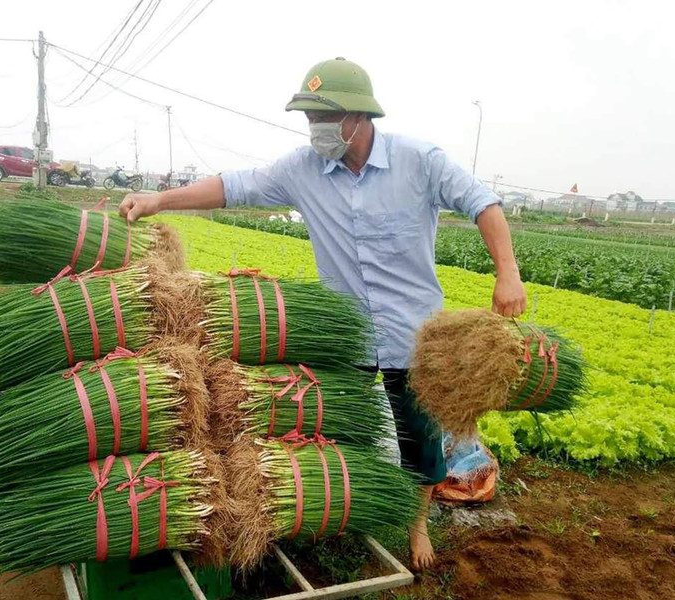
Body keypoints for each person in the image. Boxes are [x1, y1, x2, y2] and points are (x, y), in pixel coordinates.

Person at [119, 57, 527, 569]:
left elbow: (482, 203)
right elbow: (233, 187)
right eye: (309, 118)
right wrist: (160, 200)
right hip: (346, 335)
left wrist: (507, 273)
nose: (314, 129)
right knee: (341, 427)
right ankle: (345, 505)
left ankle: (417, 526)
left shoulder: (419, 160)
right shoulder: (302, 170)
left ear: (358, 118)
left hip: (414, 334)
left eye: (322, 118)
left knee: (421, 439)